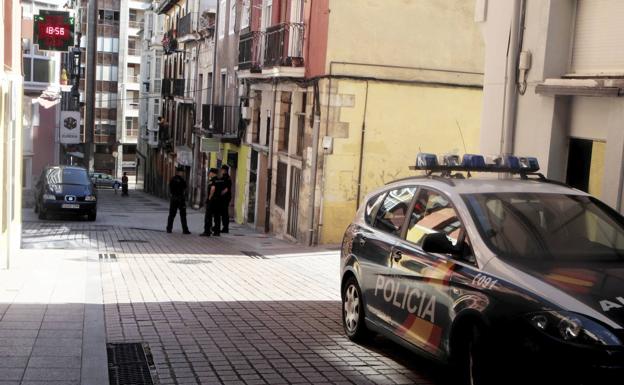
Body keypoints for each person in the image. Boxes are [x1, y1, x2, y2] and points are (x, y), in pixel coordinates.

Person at [167, 168, 191, 234]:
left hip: (173, 198)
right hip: (180, 199)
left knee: (171, 214)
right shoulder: (182, 180)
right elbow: (185, 188)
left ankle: (169, 229)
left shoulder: (172, 179)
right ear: (179, 172)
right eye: (182, 172)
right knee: (183, 215)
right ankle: (185, 230)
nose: (183, 173)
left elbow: (170, 188)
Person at [201, 168, 223, 237]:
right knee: (217, 216)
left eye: (210, 172)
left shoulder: (212, 180)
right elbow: (223, 190)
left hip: (212, 200)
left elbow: (213, 189)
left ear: (213, 173)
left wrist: (209, 198)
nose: (209, 174)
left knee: (208, 216)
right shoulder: (220, 180)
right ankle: (217, 232)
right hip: (219, 201)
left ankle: (207, 231)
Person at [218, 164, 232, 233]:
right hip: (224, 197)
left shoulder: (227, 178)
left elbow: (226, 189)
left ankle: (225, 228)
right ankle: (224, 227)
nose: (221, 171)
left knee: (224, 213)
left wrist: (220, 194)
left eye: (222, 170)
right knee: (223, 213)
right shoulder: (224, 177)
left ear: (224, 170)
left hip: (225, 198)